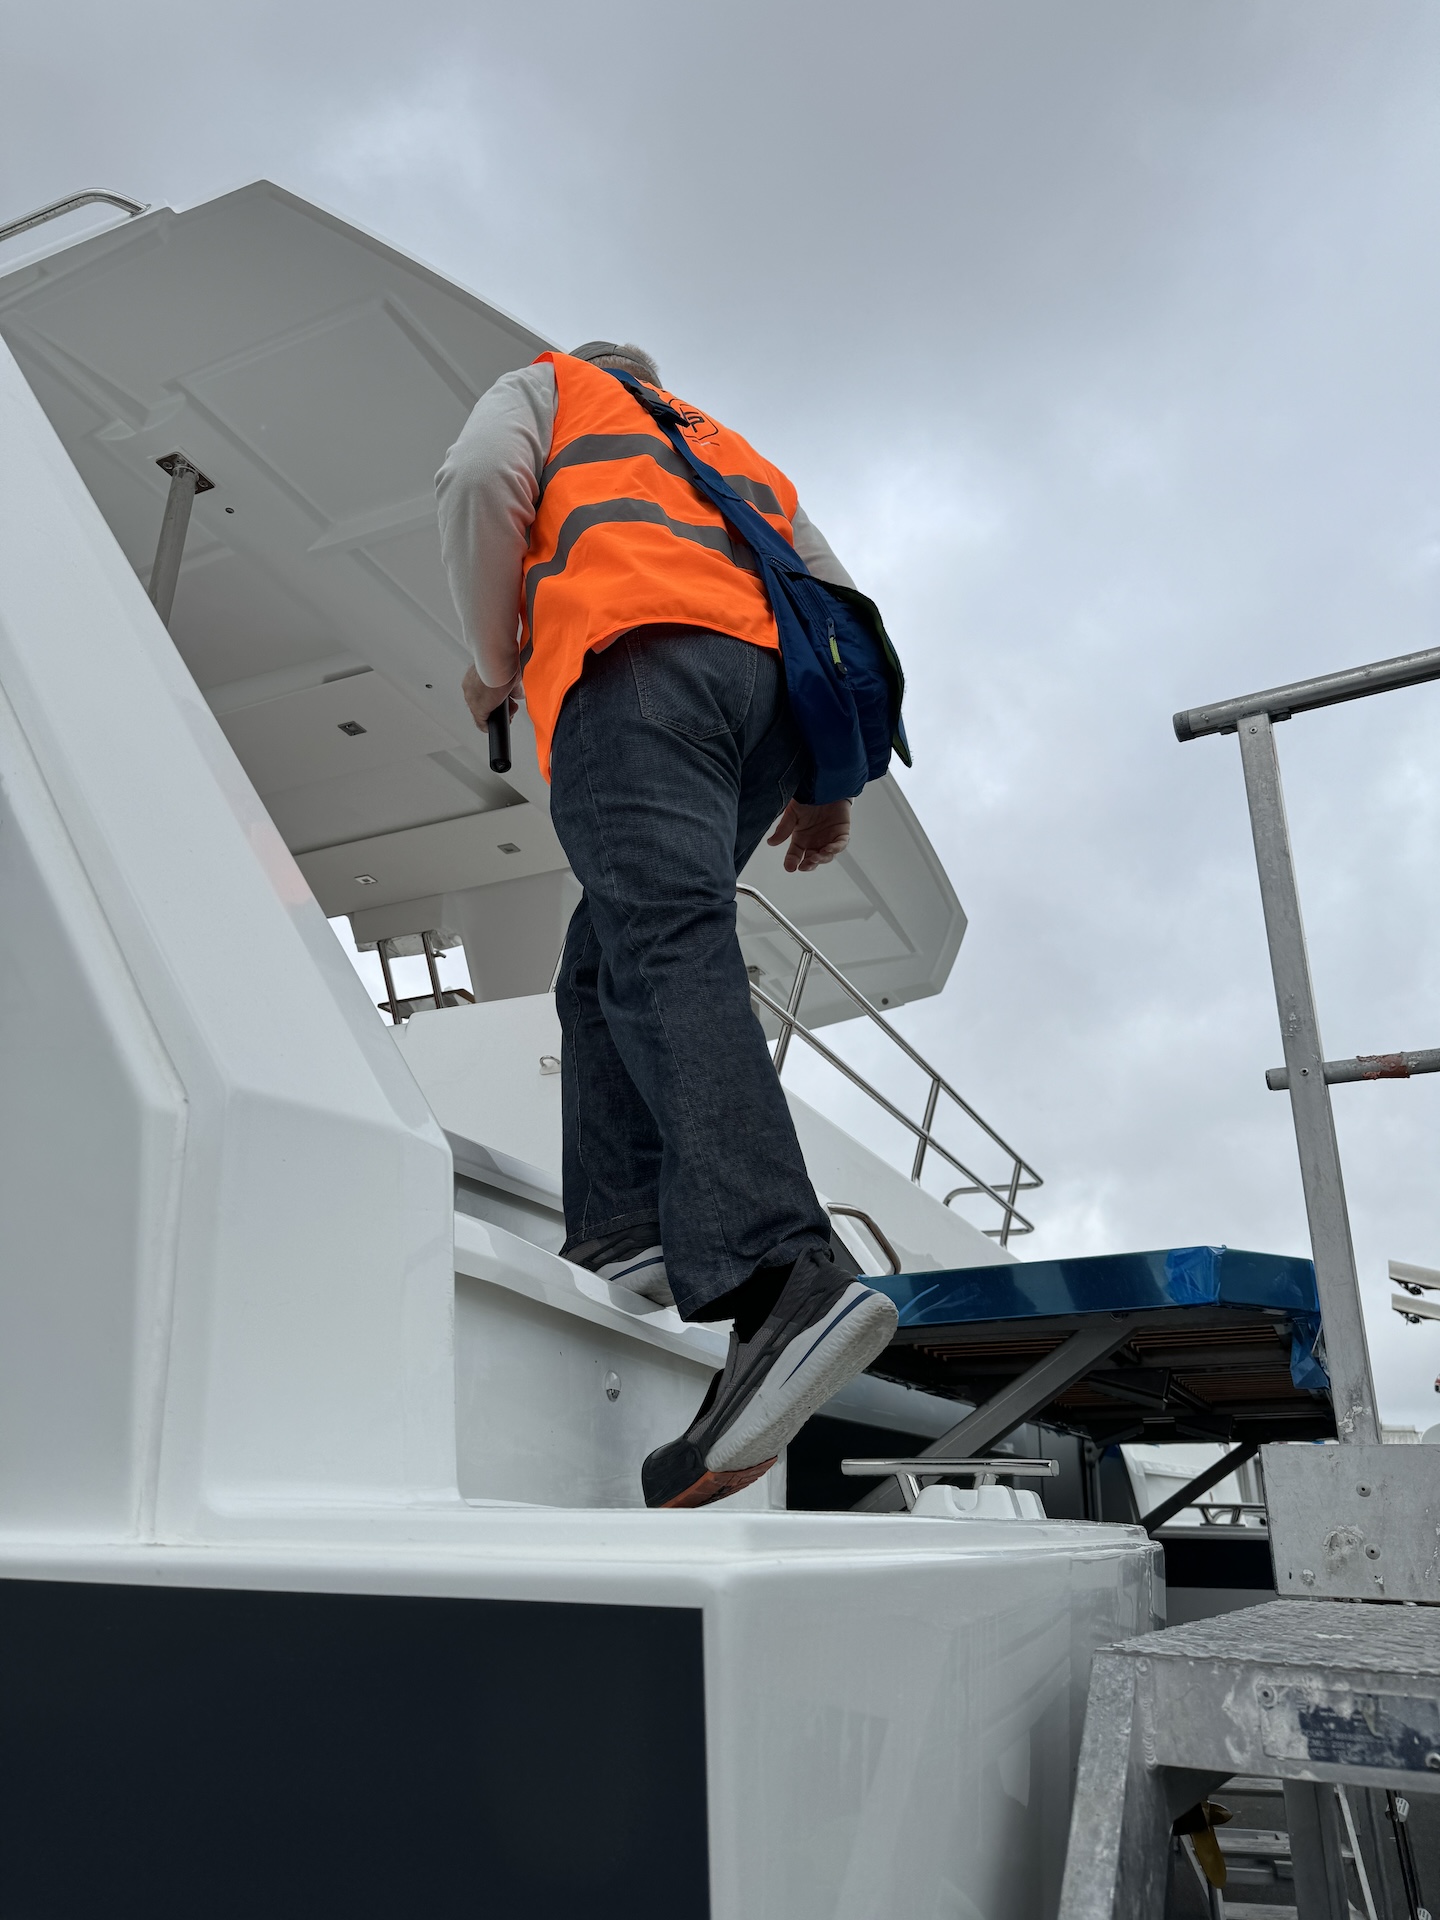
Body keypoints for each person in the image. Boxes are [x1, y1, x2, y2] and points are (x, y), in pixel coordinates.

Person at [436, 340, 897, 1508]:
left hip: (635, 664)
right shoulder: (726, 447)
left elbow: (480, 476)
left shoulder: (551, 385)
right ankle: (623, 1224)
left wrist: (495, 664)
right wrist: (830, 779)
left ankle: (784, 1272)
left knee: (659, 938)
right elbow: (837, 597)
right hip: (769, 707)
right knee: (603, 954)